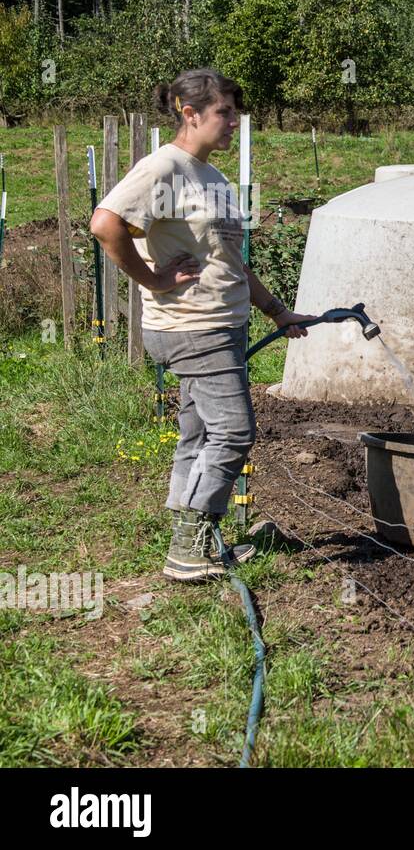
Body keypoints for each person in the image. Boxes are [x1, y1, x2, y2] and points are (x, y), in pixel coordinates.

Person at [90, 68, 314, 582]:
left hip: (222, 323)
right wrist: (153, 279)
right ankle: (190, 546)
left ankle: (194, 540)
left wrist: (277, 311)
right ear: (189, 114)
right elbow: (105, 225)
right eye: (224, 112)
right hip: (192, 326)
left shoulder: (211, 177)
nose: (234, 121)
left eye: (235, 111)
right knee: (235, 433)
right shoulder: (164, 166)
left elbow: (230, 261)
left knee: (198, 431)